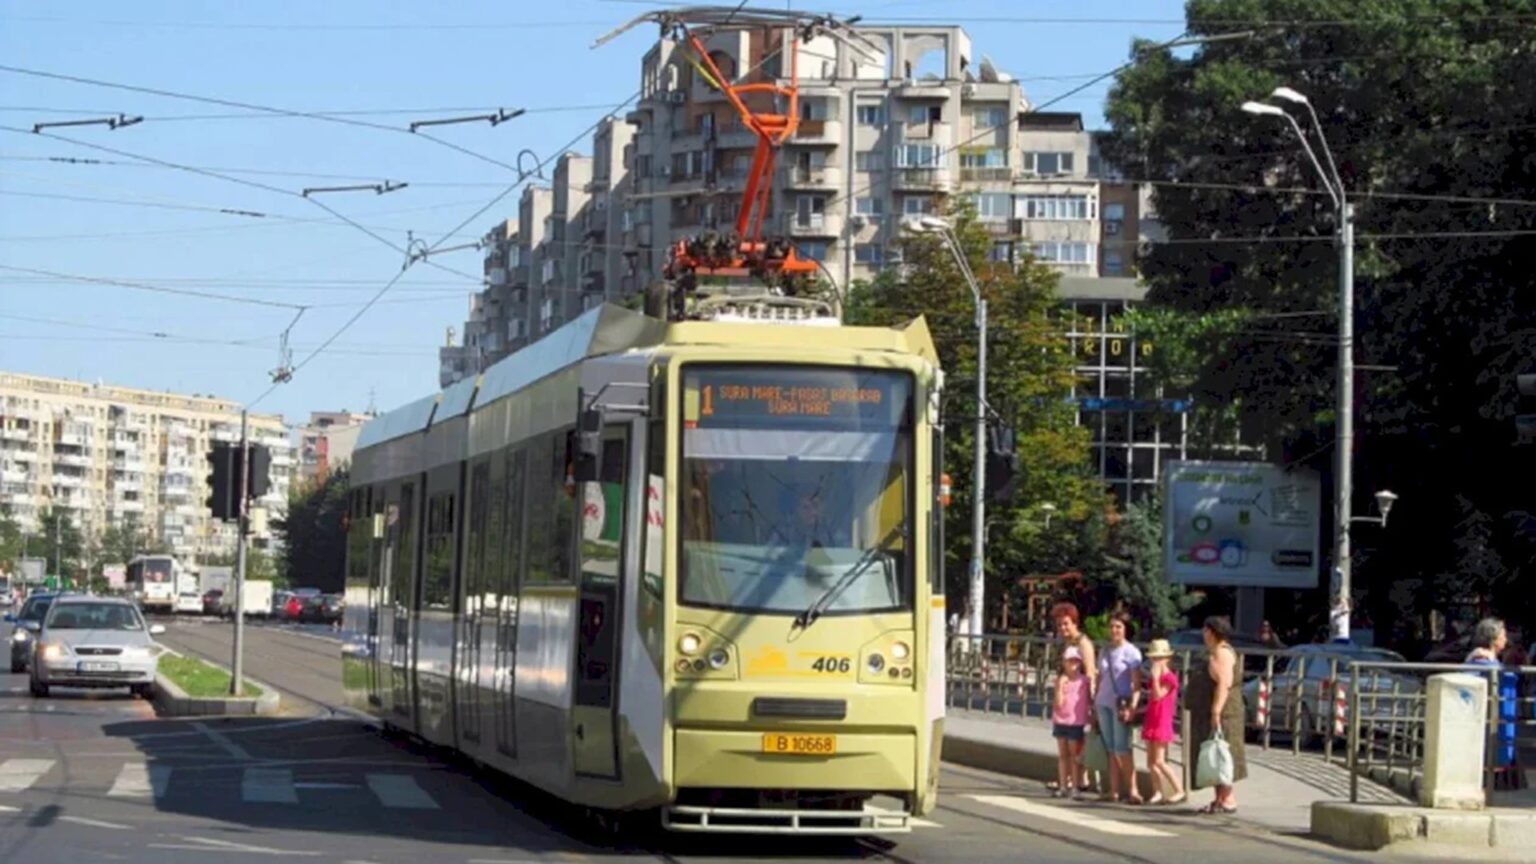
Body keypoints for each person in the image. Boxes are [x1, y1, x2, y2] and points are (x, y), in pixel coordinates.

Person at [1186, 615, 1247, 814]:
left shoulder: (1222, 653)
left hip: (1225, 713)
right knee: (1212, 753)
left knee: (1222, 753)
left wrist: (1216, 710)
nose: (1203, 634)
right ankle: (1219, 798)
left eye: (1205, 630)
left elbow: (1224, 683)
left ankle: (1228, 798)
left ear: (1212, 632)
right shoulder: (1214, 652)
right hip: (1210, 712)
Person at [1465, 617, 1525, 789]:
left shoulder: (1491, 660)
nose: (1506, 639)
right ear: (1493, 639)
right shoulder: (1481, 662)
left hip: (1501, 721)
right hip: (1493, 721)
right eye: (1503, 635)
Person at [1094, 611, 1144, 804]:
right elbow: (1099, 678)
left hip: (1120, 705)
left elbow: (1136, 684)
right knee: (1110, 749)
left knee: (1122, 748)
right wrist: (1093, 702)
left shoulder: (1131, 652)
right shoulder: (1104, 651)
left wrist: (1132, 706)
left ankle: (1133, 790)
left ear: (1125, 630)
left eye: (1118, 627)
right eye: (1112, 626)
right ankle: (1113, 790)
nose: (1114, 630)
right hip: (1102, 702)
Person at [1047, 602, 1097, 793]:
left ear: (1075, 622)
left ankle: (1078, 780)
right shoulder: (1066, 642)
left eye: (1066, 624)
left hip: (1080, 700)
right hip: (1067, 701)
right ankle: (1070, 779)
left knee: (1077, 744)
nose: (1063, 628)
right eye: (1060, 625)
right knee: (1069, 744)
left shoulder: (1083, 643)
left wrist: (1091, 704)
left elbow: (1090, 672)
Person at [1141, 638, 1186, 805]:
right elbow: (1152, 698)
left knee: (1159, 760)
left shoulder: (1169, 678)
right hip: (1152, 718)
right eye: (1154, 658)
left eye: (1159, 658)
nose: (1156, 662)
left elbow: (1159, 695)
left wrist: (1156, 677)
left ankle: (1179, 789)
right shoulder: (1156, 679)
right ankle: (1157, 791)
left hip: (1162, 720)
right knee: (1151, 761)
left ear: (1167, 659)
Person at [1051, 646, 1092, 799]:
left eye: (1076, 661)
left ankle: (1074, 786)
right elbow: (1058, 703)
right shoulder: (1061, 680)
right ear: (1064, 663)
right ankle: (1063, 785)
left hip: (1076, 721)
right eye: (1070, 661)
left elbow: (1090, 698)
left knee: (1075, 756)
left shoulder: (1084, 681)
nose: (1073, 665)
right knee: (1063, 755)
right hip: (1061, 720)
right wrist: (1060, 686)